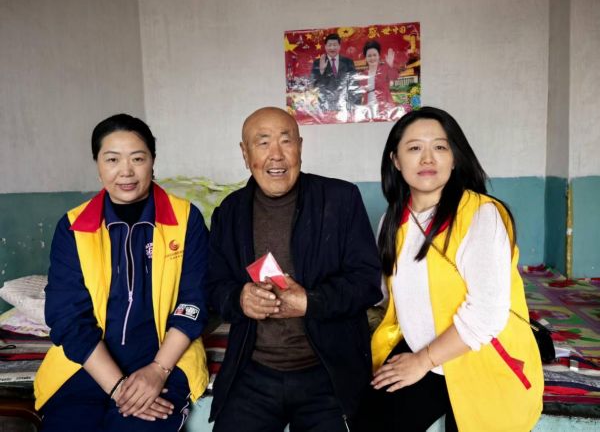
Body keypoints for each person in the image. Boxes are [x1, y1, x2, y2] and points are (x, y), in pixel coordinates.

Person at [356, 107, 543, 431]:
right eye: (414, 148)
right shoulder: (392, 220)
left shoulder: (481, 215)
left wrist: (422, 361)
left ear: (454, 158)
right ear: (396, 160)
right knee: (367, 420)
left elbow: (486, 314)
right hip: (420, 348)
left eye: (440, 147)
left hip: (480, 354)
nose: (428, 158)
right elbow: (383, 296)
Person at [205, 107, 382, 431]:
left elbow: (367, 282)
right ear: (245, 154)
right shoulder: (229, 212)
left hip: (326, 373)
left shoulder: (340, 199)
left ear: (300, 147)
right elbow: (214, 285)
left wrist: (310, 302)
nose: (276, 155)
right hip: (253, 372)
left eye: (286, 141)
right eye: (263, 142)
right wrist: (240, 298)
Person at [34, 114, 210, 431]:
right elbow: (67, 317)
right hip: (87, 365)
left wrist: (158, 370)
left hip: (165, 360)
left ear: (152, 161)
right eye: (112, 159)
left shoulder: (186, 219)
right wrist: (117, 387)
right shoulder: (74, 227)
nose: (126, 171)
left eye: (137, 159)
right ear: (98, 165)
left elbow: (194, 302)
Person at [310, 33, 357, 113]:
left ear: (339, 46)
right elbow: (314, 86)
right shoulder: (317, 63)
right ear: (325, 47)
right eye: (329, 45)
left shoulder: (348, 62)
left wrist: (351, 105)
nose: (332, 48)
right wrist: (321, 71)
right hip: (325, 107)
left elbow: (354, 84)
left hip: (345, 106)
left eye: (335, 45)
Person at [357, 40, 400, 121]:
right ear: (366, 58)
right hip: (368, 109)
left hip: (385, 108)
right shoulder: (363, 74)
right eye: (369, 56)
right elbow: (360, 92)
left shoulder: (385, 68)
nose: (372, 58)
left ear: (379, 56)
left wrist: (390, 65)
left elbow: (394, 77)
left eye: (374, 55)